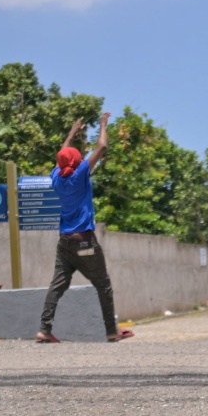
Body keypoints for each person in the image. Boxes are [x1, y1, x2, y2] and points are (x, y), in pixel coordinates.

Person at [36, 112, 133, 343]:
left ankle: (44, 329)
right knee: (103, 285)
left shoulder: (56, 177)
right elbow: (102, 146)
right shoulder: (80, 174)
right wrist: (102, 124)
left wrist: (72, 132)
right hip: (84, 241)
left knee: (57, 286)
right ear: (77, 162)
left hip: (65, 241)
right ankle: (111, 331)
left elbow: (62, 155)